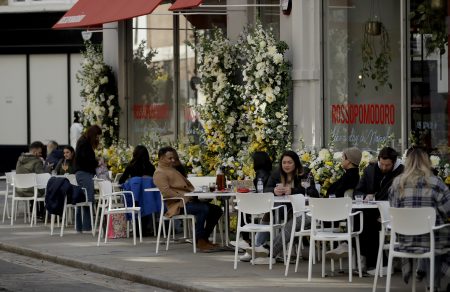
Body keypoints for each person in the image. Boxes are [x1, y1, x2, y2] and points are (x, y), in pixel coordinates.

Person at [328, 146, 404, 272]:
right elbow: (358, 189)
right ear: (379, 159)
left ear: (394, 162)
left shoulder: (401, 172)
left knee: (368, 222)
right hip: (370, 209)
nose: (384, 168)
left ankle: (372, 262)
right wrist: (364, 196)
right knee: (360, 218)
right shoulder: (370, 170)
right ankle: (364, 258)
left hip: (391, 211)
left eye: (388, 165)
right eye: (382, 164)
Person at [240, 150, 319, 263]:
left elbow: (313, 192)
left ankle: (266, 251)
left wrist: (293, 190)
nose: (286, 165)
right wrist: (274, 190)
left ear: (296, 163)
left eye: (289, 162)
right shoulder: (277, 174)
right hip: (285, 208)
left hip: (303, 209)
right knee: (270, 213)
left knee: (292, 220)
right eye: (284, 162)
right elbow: (266, 189)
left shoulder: (304, 173)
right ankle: (256, 248)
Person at [389, 147, 450, 291]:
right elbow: (447, 209)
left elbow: (393, 210)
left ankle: (423, 271)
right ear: (427, 162)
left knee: (427, 235)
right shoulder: (436, 183)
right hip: (432, 239)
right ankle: (432, 285)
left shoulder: (397, 184)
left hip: (405, 240)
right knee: (434, 235)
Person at [153, 146, 223, 252]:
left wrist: (192, 195)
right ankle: (199, 240)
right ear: (161, 158)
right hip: (177, 205)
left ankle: (203, 238)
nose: (173, 160)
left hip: (187, 201)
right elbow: (166, 192)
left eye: (173, 158)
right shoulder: (159, 173)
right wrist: (184, 197)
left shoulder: (171, 169)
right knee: (203, 209)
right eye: (170, 158)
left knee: (216, 210)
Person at [74, 125, 102, 233]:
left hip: (81, 173)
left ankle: (80, 227)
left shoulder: (82, 141)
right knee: (88, 200)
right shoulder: (85, 144)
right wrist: (97, 162)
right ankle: (87, 226)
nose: (97, 138)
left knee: (82, 199)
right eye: (97, 136)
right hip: (85, 173)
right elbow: (87, 160)